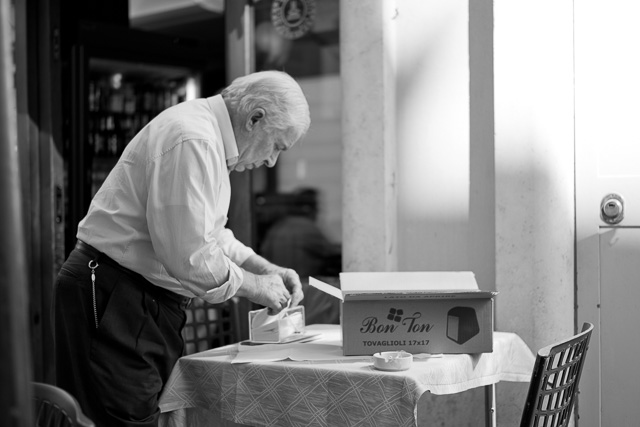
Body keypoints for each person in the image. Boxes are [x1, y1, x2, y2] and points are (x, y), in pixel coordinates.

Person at [53, 70, 310, 427]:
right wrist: (255, 286)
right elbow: (191, 257)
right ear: (255, 118)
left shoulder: (206, 139)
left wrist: (264, 268)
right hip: (116, 294)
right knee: (123, 419)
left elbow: (212, 234)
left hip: (132, 297)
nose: (271, 161)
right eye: (278, 146)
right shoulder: (195, 139)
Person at [259, 188, 341, 324]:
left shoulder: (279, 226)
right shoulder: (306, 227)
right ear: (309, 208)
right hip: (302, 293)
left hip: (278, 293)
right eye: (319, 208)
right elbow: (332, 252)